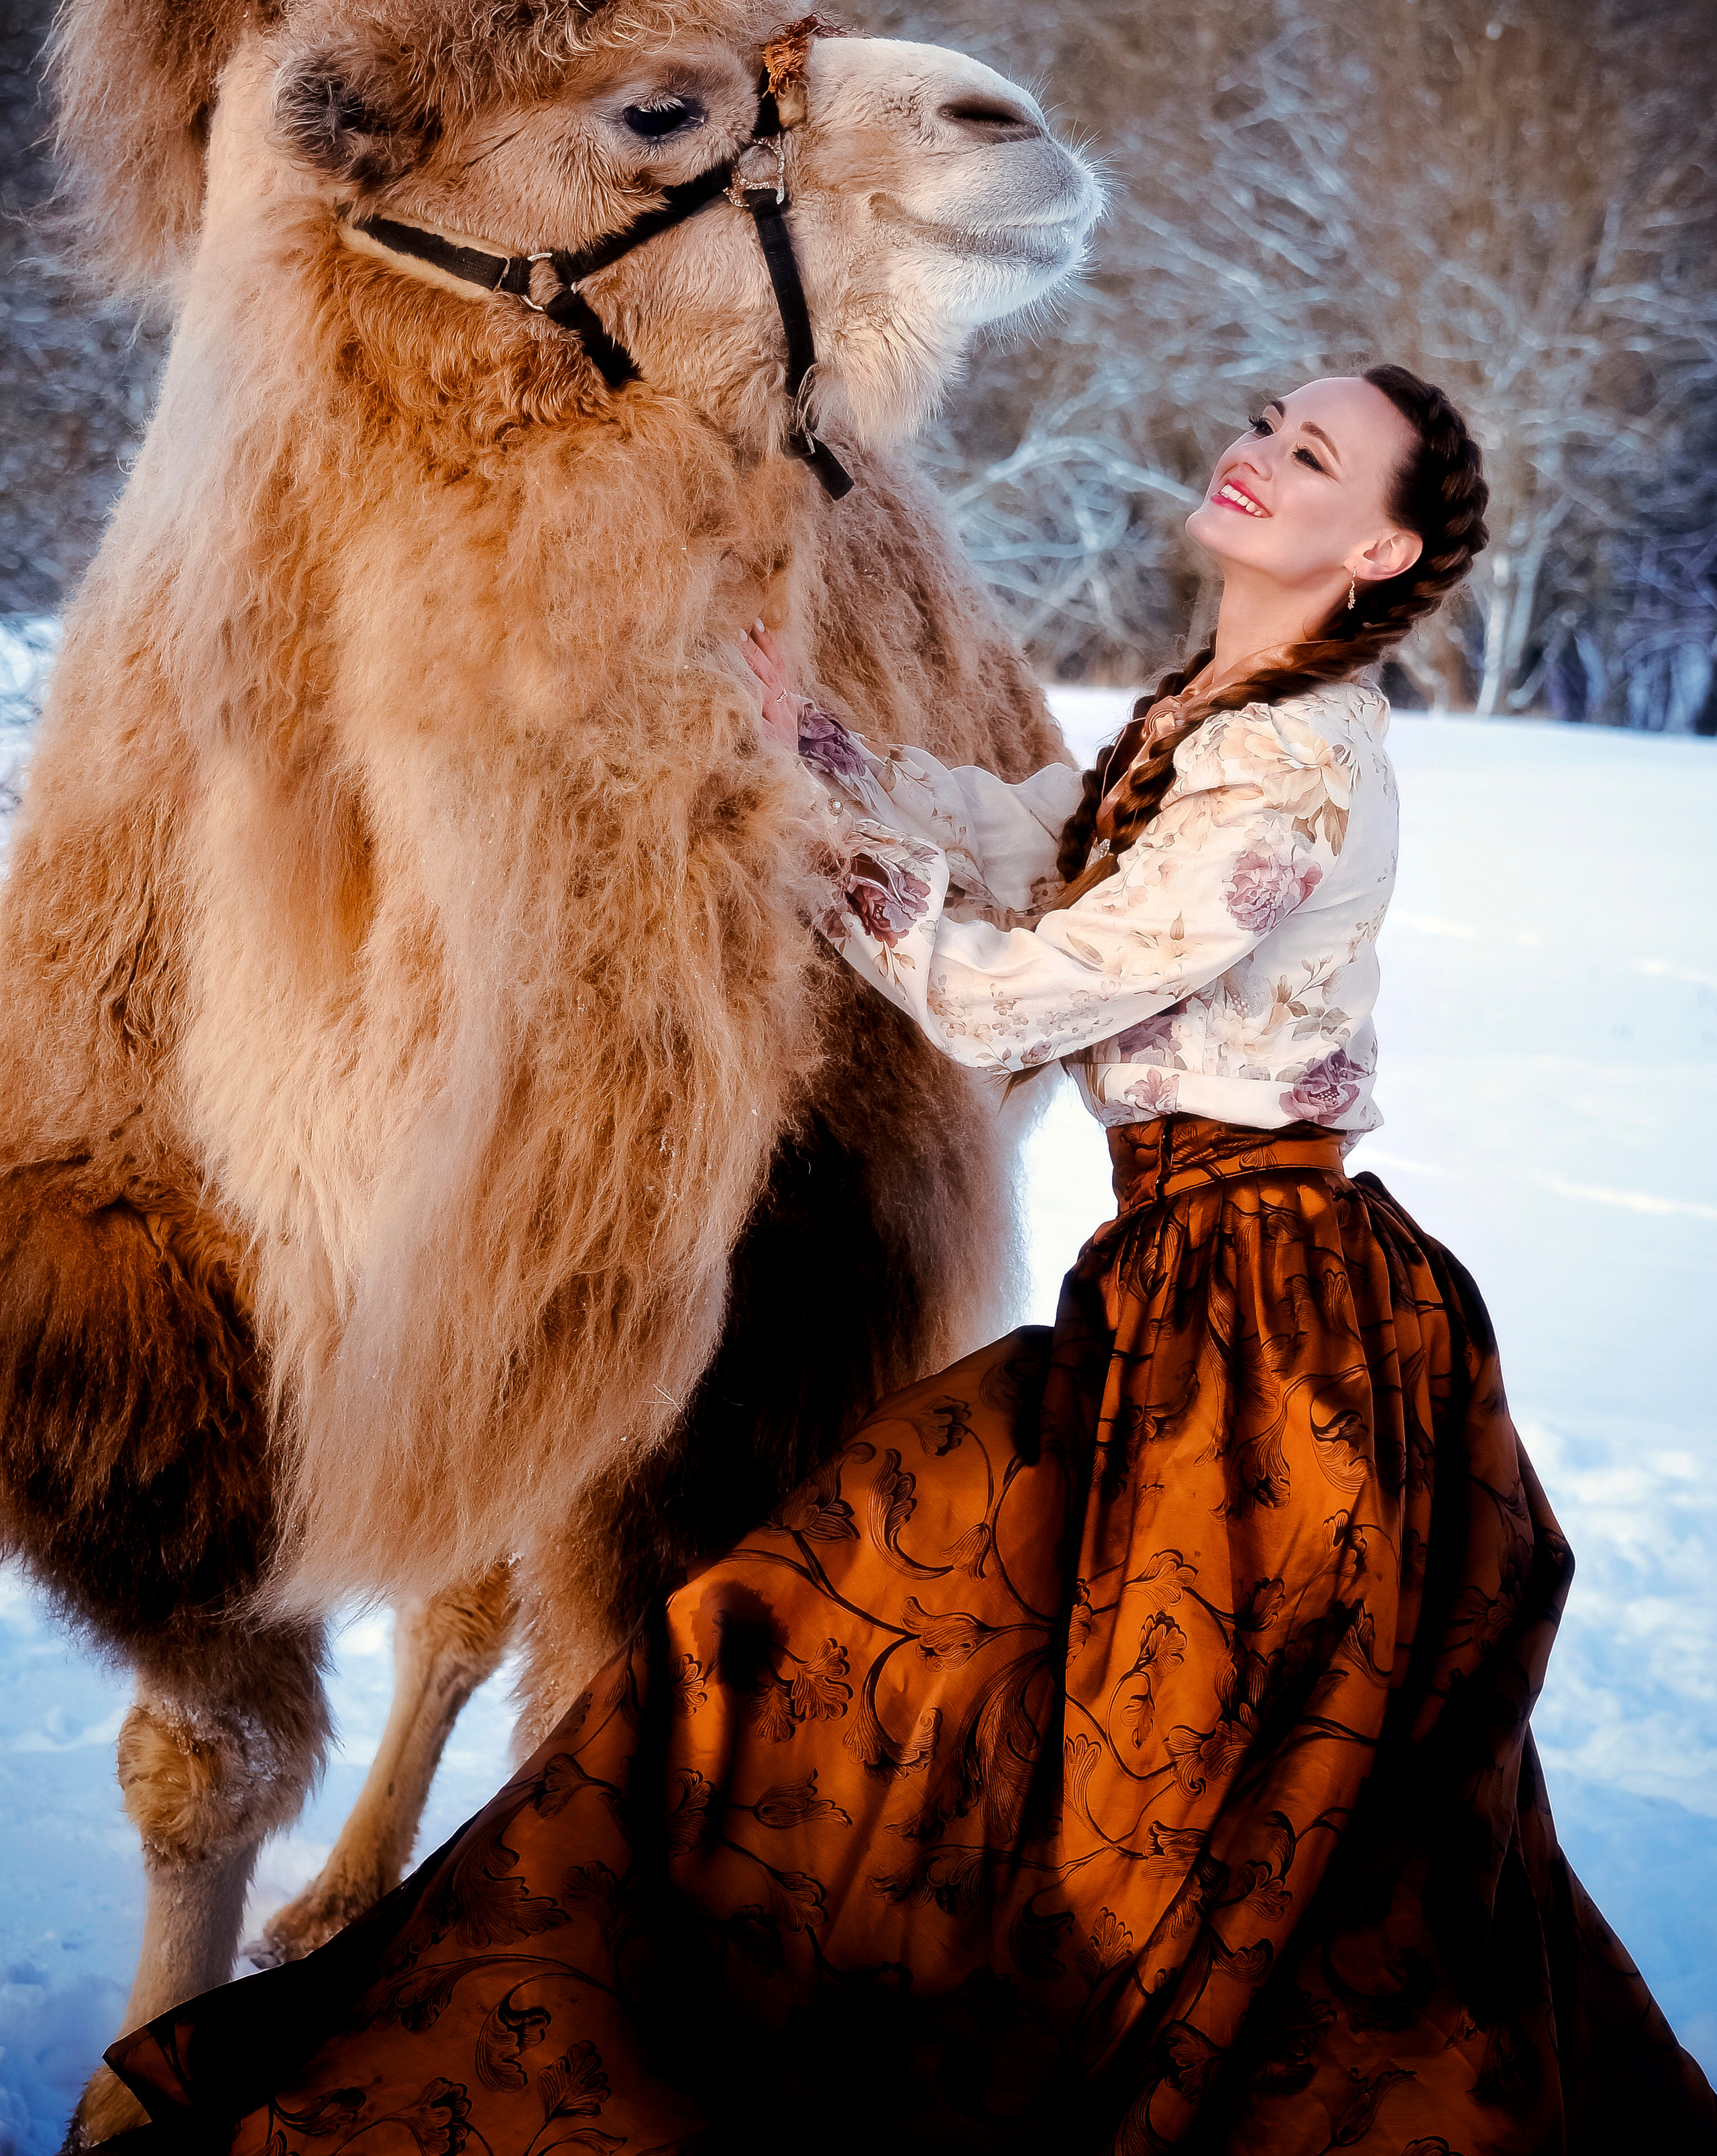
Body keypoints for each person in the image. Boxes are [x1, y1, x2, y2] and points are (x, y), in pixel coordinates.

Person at [107, 370, 1714, 2153]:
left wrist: (796, 840)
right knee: (858, 1669)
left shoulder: (1298, 771)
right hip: (1176, 1295)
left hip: (1271, 1346)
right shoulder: (1221, 711)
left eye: (1313, 454)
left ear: (1383, 551)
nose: (1257, 450)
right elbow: (1030, 841)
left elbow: (1018, 992)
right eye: (1266, 419)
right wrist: (807, 737)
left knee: (1123, 1795)